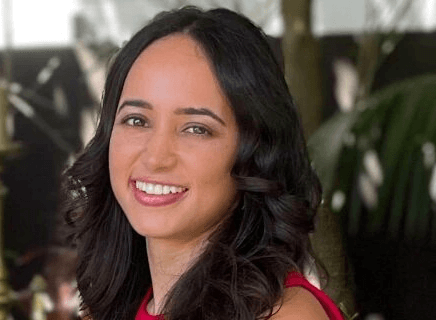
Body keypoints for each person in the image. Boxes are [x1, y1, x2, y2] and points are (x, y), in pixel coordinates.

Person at [61, 6, 345, 320]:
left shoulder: (284, 315)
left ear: (254, 152)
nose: (156, 157)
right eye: (137, 120)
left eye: (196, 128)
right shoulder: (108, 310)